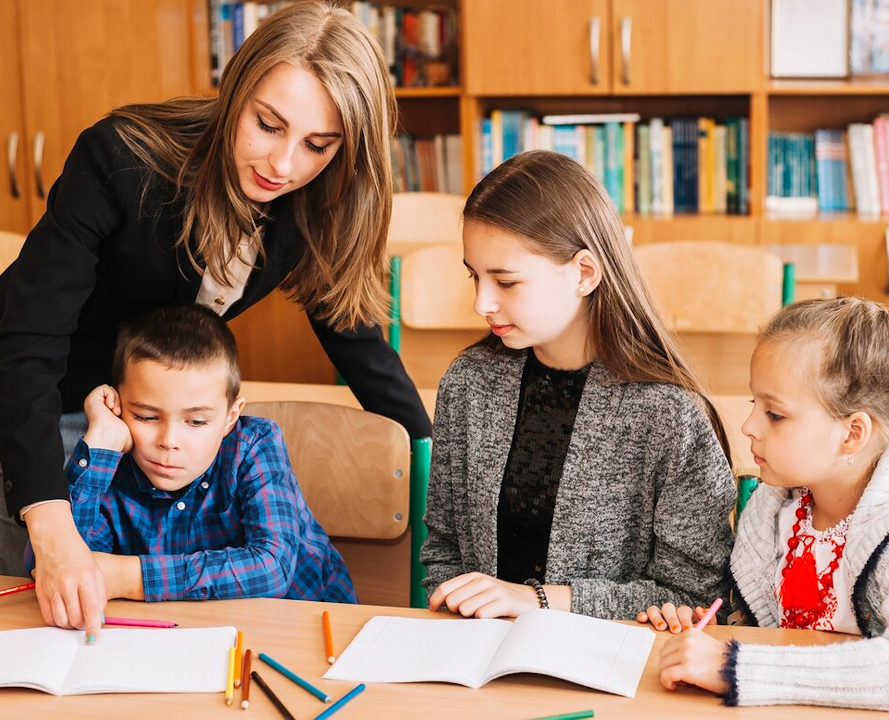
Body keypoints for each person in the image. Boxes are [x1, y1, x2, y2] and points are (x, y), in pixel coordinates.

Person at [0, 0, 429, 642]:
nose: (283, 165)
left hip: (142, 418)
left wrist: (437, 462)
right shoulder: (119, 160)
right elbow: (26, 343)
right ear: (235, 89)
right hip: (40, 403)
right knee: (40, 613)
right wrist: (50, 518)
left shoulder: (314, 199)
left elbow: (355, 336)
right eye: (267, 125)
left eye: (317, 145)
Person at [420, 150, 736, 621]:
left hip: (611, 674)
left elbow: (695, 596)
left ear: (584, 273)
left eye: (505, 282)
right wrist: (455, 604)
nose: (481, 303)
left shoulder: (668, 411)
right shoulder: (468, 384)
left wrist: (539, 601)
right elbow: (443, 551)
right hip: (479, 664)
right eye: (475, 276)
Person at [641, 297, 889, 718]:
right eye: (754, 404)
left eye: (774, 414)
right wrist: (712, 629)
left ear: (852, 434)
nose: (748, 426)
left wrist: (736, 666)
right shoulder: (775, 512)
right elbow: (776, 629)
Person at [25, 305, 356, 637]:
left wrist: (128, 576)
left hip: (305, 630)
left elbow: (272, 567)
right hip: (181, 637)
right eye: (146, 417)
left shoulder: (254, 445)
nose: (169, 442)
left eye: (196, 421)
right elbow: (53, 566)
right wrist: (100, 444)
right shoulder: (110, 460)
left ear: (230, 416)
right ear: (118, 403)